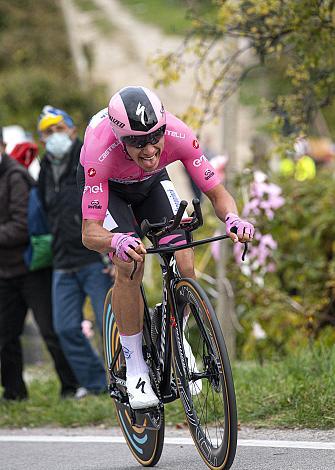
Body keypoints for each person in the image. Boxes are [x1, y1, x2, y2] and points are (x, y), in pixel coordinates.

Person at [78, 86, 254, 409]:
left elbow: (217, 193)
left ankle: (177, 334)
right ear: (120, 139)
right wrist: (116, 239)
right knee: (130, 263)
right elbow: (89, 232)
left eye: (154, 136)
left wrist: (233, 218)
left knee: (184, 258)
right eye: (137, 141)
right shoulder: (98, 151)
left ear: (162, 126)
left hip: (150, 184)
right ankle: (135, 369)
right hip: (110, 192)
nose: (148, 148)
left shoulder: (179, 134)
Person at [37, 106, 113, 397]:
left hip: (94, 258)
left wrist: (109, 250)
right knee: (65, 328)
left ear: (71, 129)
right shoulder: (44, 170)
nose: (55, 136)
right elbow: (46, 212)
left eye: (59, 129)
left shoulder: (88, 158)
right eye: (48, 132)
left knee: (112, 324)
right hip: (63, 261)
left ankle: (129, 378)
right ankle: (97, 386)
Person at [0, 128, 78, 400]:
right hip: (6, 271)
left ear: (2, 146)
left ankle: (72, 387)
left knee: (50, 330)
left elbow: (21, 227)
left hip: (31, 267)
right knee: (5, 336)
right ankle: (14, 393)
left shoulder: (15, 177)